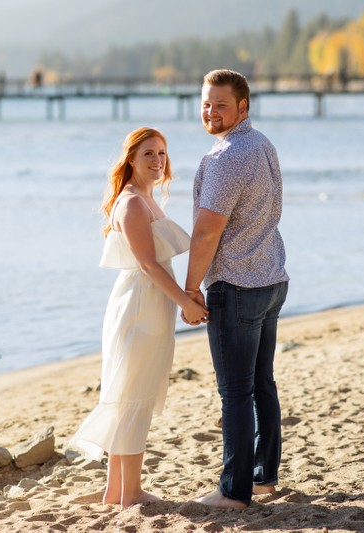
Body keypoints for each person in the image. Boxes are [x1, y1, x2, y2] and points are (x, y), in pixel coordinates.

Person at [69, 127, 208, 508]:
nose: (157, 160)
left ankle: (116, 492)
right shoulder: (131, 203)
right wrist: (187, 302)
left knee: (135, 396)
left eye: (162, 153)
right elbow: (148, 265)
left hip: (151, 304)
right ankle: (130, 493)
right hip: (140, 307)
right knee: (132, 396)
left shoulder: (146, 199)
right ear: (130, 158)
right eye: (148, 153)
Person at [183, 69, 289, 509]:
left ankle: (234, 490)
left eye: (221, 104)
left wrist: (190, 290)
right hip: (270, 279)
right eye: (206, 103)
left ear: (243, 107)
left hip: (239, 285)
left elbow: (207, 232)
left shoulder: (228, 156)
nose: (211, 111)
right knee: (261, 384)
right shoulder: (260, 143)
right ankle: (263, 477)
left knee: (236, 393)